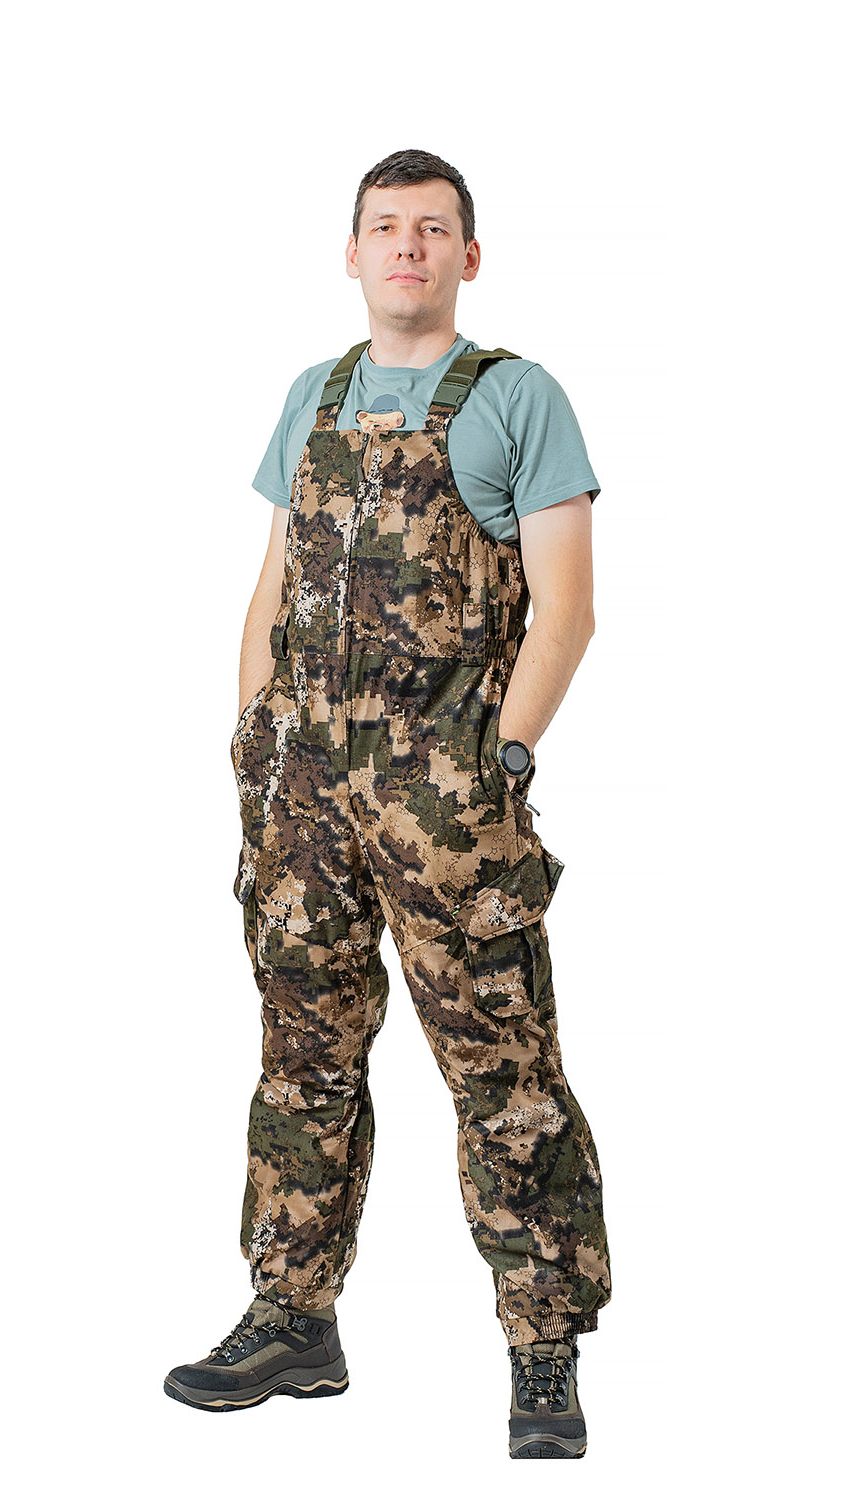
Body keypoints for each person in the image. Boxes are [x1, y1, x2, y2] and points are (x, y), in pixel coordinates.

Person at [164, 148, 611, 1460]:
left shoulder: (519, 398)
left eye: (431, 229)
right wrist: (252, 750)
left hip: (446, 801)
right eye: (384, 226)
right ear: (351, 253)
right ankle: (292, 1317)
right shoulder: (312, 395)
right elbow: (273, 587)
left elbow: (570, 608)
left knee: (500, 1065)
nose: (405, 246)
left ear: (468, 257)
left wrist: (503, 761)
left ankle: (543, 1343)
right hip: (299, 796)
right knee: (301, 1053)